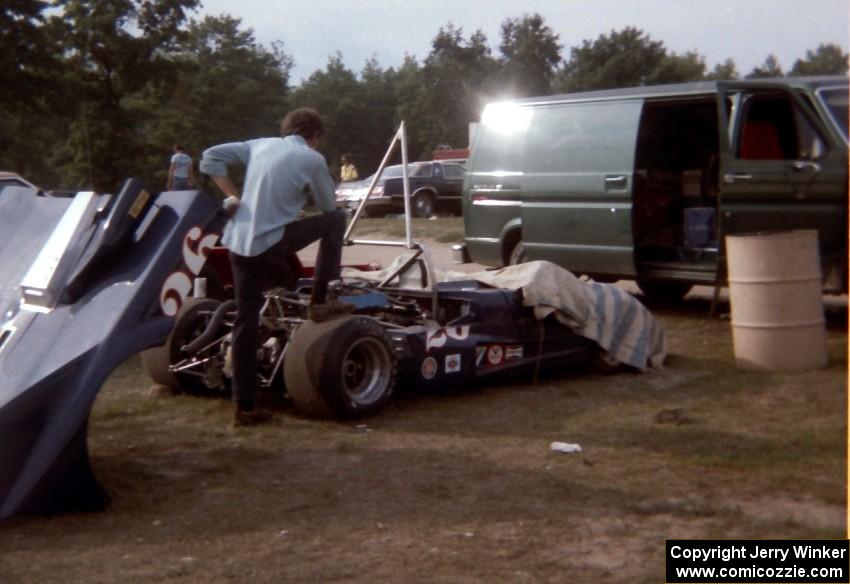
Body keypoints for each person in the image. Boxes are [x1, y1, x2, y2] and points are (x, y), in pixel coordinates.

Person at [200, 107, 354, 427]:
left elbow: (210, 156)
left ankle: (245, 407)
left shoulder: (259, 145)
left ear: (286, 130)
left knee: (246, 319)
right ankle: (321, 301)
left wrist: (233, 194)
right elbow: (327, 206)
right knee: (336, 220)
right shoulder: (312, 158)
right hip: (270, 241)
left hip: (238, 244)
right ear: (314, 137)